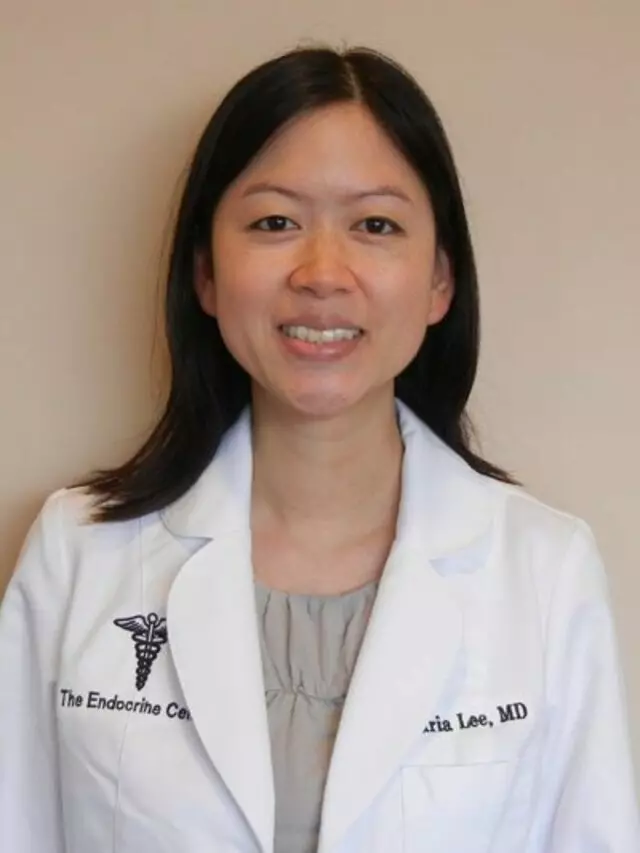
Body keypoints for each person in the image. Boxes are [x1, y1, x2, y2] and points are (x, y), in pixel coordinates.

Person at [0, 44, 637, 853]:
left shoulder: (545, 572)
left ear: (440, 280)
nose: (323, 272)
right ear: (205, 273)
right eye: (275, 222)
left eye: (376, 225)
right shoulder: (78, 553)